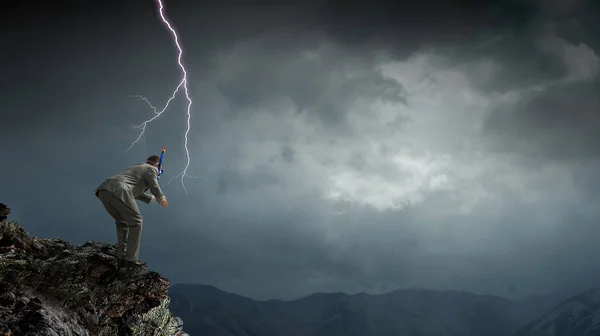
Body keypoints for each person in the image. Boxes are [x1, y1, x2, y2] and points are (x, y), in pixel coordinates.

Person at [95, 155, 168, 266]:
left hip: (104, 191)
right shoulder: (151, 169)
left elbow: (135, 192)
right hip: (119, 190)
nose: (158, 174)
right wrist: (161, 197)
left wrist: (154, 199)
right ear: (157, 165)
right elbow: (154, 185)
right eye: (160, 172)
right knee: (137, 221)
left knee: (122, 222)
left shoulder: (138, 168)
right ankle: (131, 260)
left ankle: (121, 255)